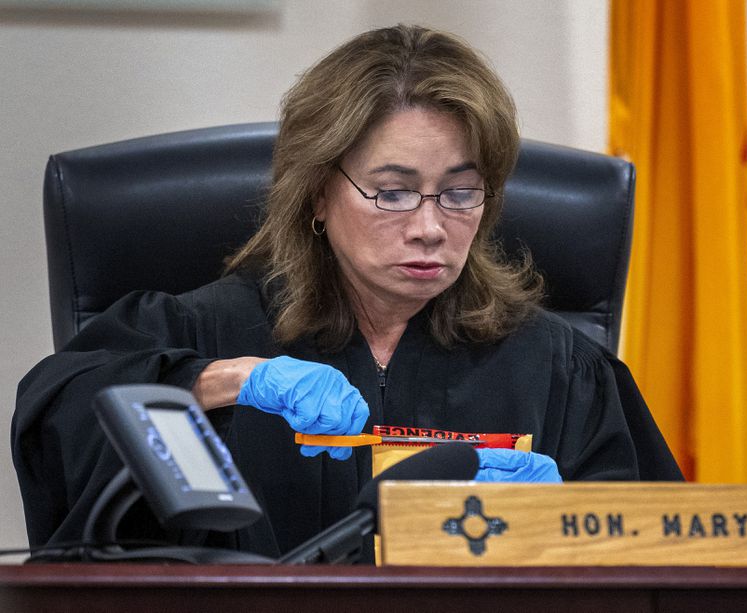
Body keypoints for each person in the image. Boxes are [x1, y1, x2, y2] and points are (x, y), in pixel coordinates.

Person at [12, 24, 682, 559]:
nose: (428, 227)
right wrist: (225, 382)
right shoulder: (207, 329)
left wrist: (564, 521)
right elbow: (58, 418)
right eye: (391, 191)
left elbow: (658, 554)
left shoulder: (562, 371)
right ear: (317, 194)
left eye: (459, 191)